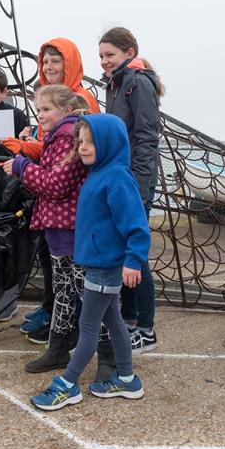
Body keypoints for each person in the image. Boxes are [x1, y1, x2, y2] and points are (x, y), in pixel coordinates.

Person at [30, 114, 149, 411]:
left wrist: (134, 261)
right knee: (114, 321)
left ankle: (68, 384)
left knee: (87, 327)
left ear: (109, 143)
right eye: (80, 141)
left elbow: (137, 225)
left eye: (91, 142)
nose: (83, 147)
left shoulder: (118, 179)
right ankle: (126, 378)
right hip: (98, 262)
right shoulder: (98, 173)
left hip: (106, 266)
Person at [7, 38, 101, 341]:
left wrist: (24, 161)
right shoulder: (49, 103)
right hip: (53, 210)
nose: (49, 67)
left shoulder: (82, 100)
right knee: (55, 269)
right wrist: (27, 144)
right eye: (45, 62)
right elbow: (51, 151)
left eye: (56, 62)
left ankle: (77, 332)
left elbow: (73, 157)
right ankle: (57, 319)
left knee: (74, 280)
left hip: (69, 211)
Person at [2, 85, 91, 374]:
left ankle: (110, 354)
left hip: (70, 227)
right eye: (38, 110)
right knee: (64, 291)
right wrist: (26, 164)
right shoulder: (56, 135)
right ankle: (58, 349)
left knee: (81, 293)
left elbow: (56, 185)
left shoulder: (66, 136)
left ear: (66, 110)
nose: (40, 115)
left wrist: (22, 166)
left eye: (46, 109)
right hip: (58, 226)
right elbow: (48, 181)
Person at [98, 27, 164, 354]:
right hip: (120, 179)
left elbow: (147, 139)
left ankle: (147, 330)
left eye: (110, 55)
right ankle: (128, 321)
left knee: (135, 255)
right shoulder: (118, 83)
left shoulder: (137, 83)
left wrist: (138, 189)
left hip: (134, 183)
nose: (104, 61)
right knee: (124, 250)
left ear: (129, 52)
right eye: (101, 56)